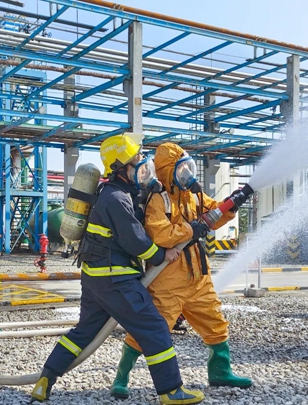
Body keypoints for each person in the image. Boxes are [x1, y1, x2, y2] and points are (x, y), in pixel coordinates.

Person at [31, 134, 205, 405]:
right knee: (155, 328)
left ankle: (45, 379)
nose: (144, 166)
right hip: (117, 280)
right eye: (137, 162)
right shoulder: (116, 198)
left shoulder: (112, 193)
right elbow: (135, 241)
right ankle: (171, 391)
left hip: (95, 279)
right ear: (120, 169)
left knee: (83, 332)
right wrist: (162, 255)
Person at [110, 142, 252, 400]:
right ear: (166, 171)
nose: (188, 174)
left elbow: (213, 212)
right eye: (182, 169)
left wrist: (232, 204)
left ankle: (220, 371)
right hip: (167, 280)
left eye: (189, 167)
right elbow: (160, 233)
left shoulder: (193, 196)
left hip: (198, 277)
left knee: (215, 323)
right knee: (150, 330)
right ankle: (121, 378)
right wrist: (191, 229)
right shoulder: (157, 198)